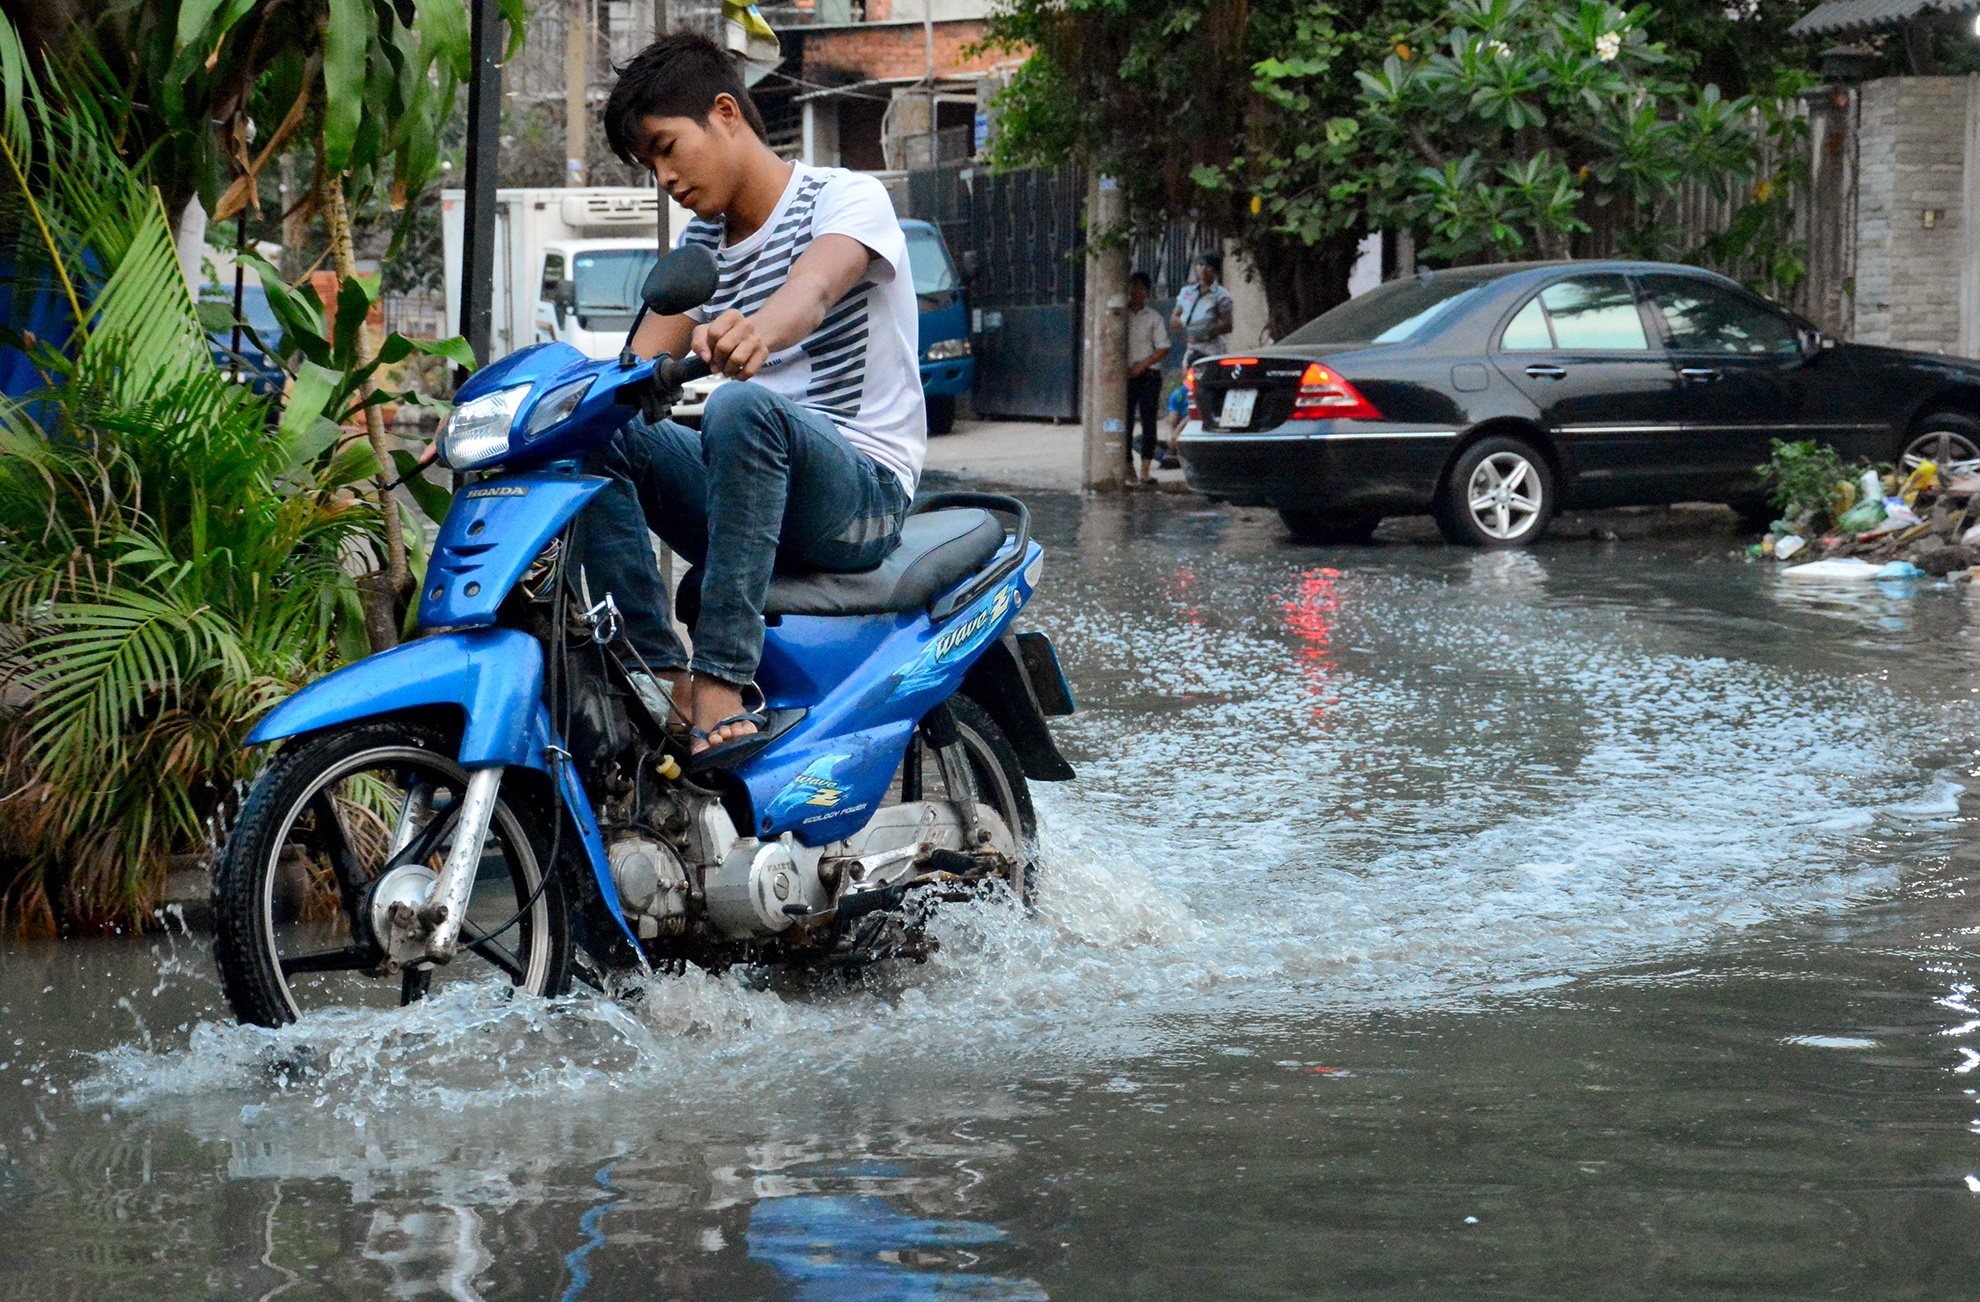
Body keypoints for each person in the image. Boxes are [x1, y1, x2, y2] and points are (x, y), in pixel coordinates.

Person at [577, 33, 924, 757]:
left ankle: (720, 681)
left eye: (669, 148)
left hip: (859, 495)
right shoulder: (700, 253)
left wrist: (761, 329)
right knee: (595, 430)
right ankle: (661, 672)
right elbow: (625, 378)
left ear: (726, 113)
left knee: (741, 408)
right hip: (749, 491)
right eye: (651, 166)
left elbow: (816, 286)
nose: (664, 178)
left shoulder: (845, 197)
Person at [1125, 271, 1170, 484]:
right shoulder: (1121, 315)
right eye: (1133, 287)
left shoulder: (1153, 317)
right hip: (1125, 374)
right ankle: (1127, 467)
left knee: (1148, 420)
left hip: (1148, 374)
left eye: (1141, 288)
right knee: (1124, 421)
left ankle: (1145, 468)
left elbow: (1163, 348)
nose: (1136, 292)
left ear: (1146, 293)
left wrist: (1142, 365)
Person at [1169, 251, 1234, 367]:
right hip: (1191, 345)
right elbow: (1174, 319)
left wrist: (1206, 329)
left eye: (1208, 266)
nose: (1203, 269)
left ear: (1215, 270)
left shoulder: (1221, 295)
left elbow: (1227, 325)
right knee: (1189, 378)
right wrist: (1189, 326)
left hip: (1211, 347)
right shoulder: (1187, 292)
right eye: (1200, 264)